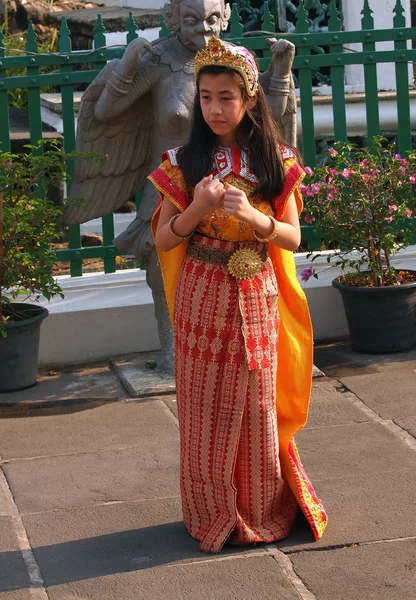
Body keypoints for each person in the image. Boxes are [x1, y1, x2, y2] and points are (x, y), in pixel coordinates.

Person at [149, 35, 327, 554]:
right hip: (202, 289)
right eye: (205, 97)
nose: (214, 108)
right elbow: (163, 238)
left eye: (226, 96)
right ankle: (210, 513)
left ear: (250, 98)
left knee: (256, 401)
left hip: (256, 290)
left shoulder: (277, 158)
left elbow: (295, 237)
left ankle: (262, 511)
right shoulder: (183, 161)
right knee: (203, 405)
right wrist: (196, 210)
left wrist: (256, 219)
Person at [63, 0, 298, 376]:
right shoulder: (159, 62)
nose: (202, 31)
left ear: (223, 18)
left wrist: (281, 72)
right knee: (163, 269)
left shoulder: (234, 62)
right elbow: (105, 113)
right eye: (191, 20)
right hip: (173, 182)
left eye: (211, 20)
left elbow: (265, 116)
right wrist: (125, 67)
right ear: (172, 18)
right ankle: (173, 347)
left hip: (242, 208)